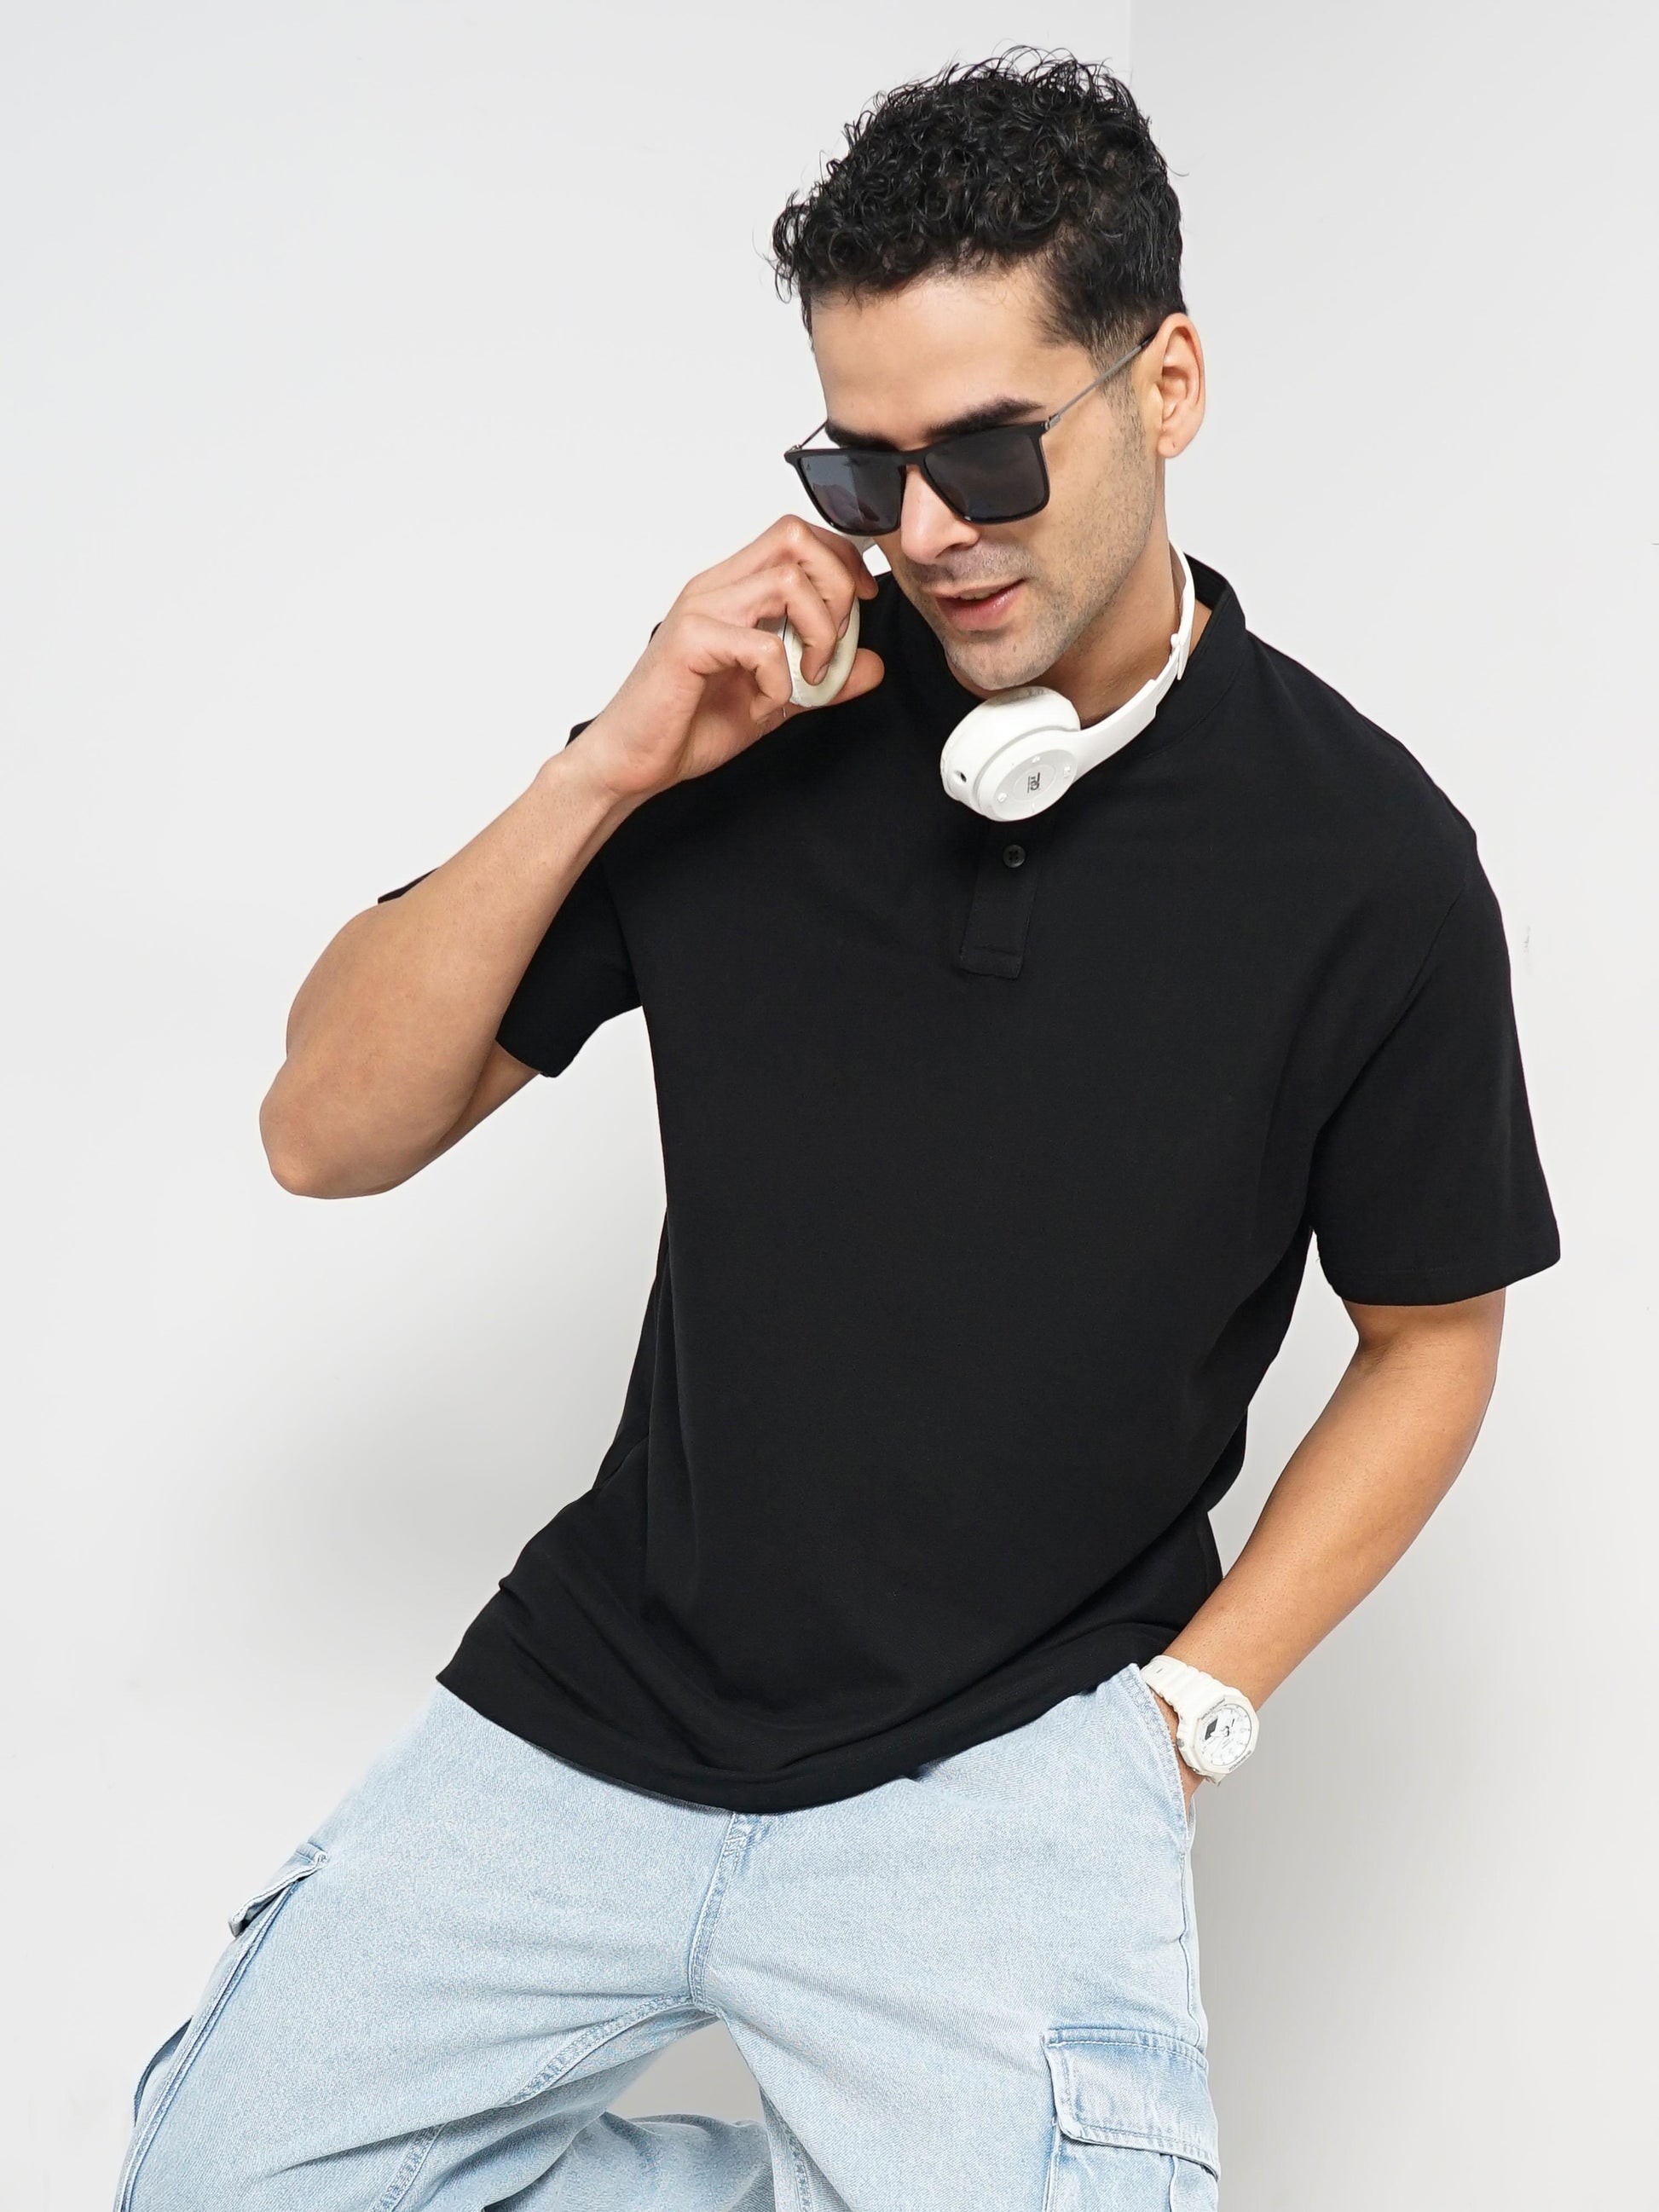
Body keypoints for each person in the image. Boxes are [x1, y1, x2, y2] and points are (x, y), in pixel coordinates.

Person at [112, 51, 1559, 2212]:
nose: (930, 531)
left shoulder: (1367, 865)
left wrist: (1179, 1721)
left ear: (1166, 384)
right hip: (596, 1706)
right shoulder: (750, 726)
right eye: (862, 465)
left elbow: (1431, 1335)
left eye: (987, 448)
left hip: (1003, 1770)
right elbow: (323, 1131)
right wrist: (613, 760)